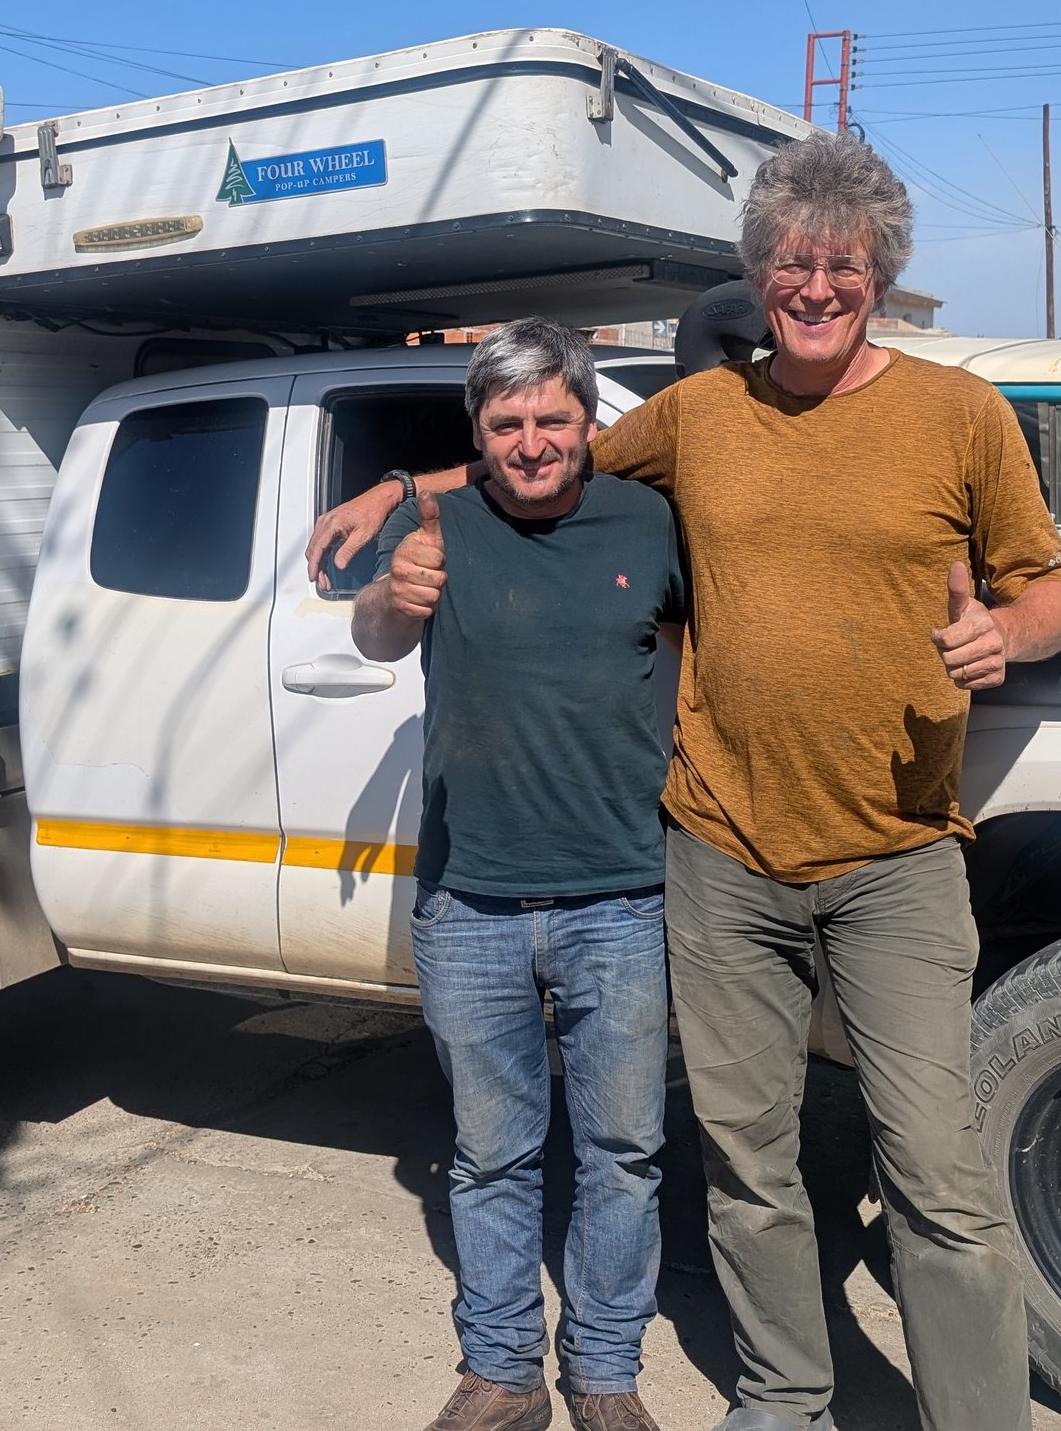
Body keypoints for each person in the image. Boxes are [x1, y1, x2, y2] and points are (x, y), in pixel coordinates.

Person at [314, 135, 1061, 1431]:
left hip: (897, 853)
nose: (816, 286)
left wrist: (1008, 632)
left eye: (843, 264)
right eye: (792, 263)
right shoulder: (700, 411)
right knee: (748, 1165)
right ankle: (783, 1398)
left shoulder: (960, 414)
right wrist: (399, 484)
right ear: (757, 274)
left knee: (938, 1179)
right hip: (722, 856)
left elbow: (1051, 585)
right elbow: (546, 449)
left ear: (882, 271)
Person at [355, 318, 687, 1431]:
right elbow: (373, 636)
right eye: (507, 422)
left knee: (622, 1153)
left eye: (552, 417)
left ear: (587, 421)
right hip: (470, 897)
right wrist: (392, 598)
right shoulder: (434, 522)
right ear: (479, 430)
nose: (532, 441)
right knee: (491, 1156)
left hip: (620, 893)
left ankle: (605, 1373)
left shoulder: (647, 519)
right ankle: (501, 1372)